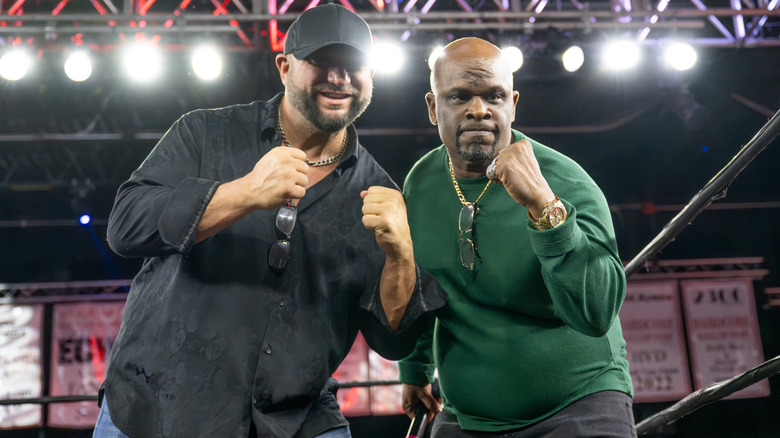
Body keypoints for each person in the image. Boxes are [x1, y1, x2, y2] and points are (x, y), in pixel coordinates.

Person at [92, 4, 446, 438]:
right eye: (321, 62)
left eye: (354, 65)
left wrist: (401, 258)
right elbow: (125, 226)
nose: (339, 77)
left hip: (295, 418)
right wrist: (242, 193)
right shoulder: (205, 133)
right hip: (157, 408)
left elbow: (391, 342)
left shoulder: (378, 192)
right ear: (284, 67)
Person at [398, 37, 635, 437]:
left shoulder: (564, 181)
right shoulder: (420, 183)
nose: (479, 110)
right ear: (432, 106)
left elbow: (597, 313)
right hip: (466, 417)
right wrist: (414, 370)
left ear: (513, 103)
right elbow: (425, 282)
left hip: (578, 406)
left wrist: (545, 207)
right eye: (459, 97)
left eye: (494, 95)